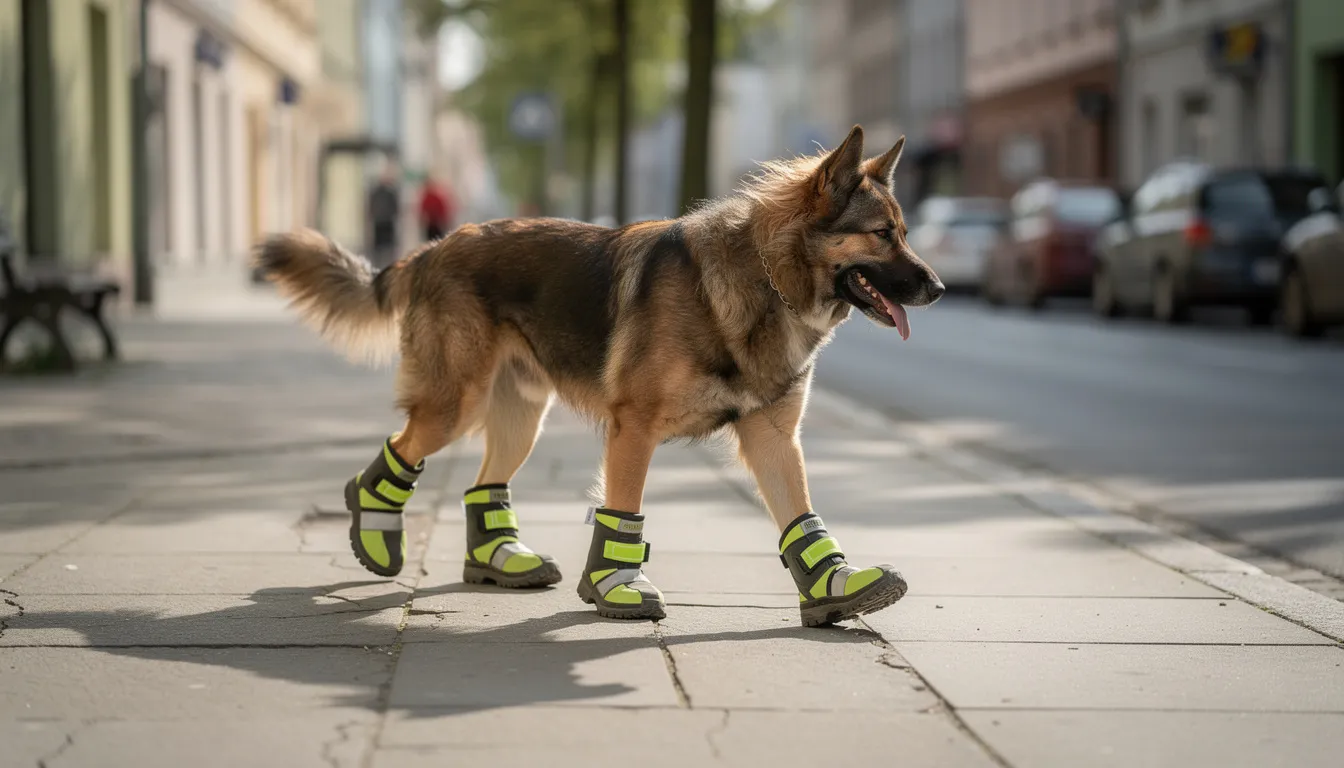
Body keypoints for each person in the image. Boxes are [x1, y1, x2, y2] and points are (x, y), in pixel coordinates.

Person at [368, 166, 400, 269]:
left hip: (385, 221)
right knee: (380, 246)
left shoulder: (389, 192)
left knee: (387, 246)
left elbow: (395, 207)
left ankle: (385, 264)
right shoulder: (378, 192)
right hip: (381, 221)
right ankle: (380, 264)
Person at [417, 175, 456, 241]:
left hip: (437, 224)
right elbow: (423, 211)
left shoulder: (436, 197)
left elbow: (443, 211)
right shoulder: (427, 197)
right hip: (431, 224)